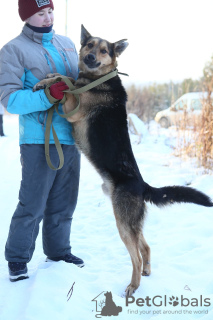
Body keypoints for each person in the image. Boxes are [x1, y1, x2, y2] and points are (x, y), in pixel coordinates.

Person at [0, 0, 84, 282]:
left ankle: (59, 251)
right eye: (40, 13)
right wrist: (46, 96)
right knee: (33, 203)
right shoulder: (14, 50)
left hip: (71, 136)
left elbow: (81, 80)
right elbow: (10, 100)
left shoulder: (67, 44)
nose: (47, 18)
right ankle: (17, 259)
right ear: (26, 16)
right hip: (39, 140)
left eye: (50, 11)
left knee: (64, 202)